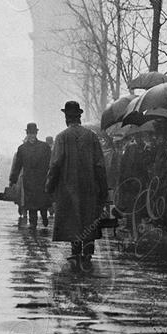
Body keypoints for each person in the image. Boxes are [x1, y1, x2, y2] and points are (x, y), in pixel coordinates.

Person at [45, 101, 109, 269]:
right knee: (88, 217)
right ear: (79, 117)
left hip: (68, 187)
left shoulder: (61, 137)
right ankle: (88, 251)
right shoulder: (92, 136)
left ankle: (76, 251)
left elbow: (55, 165)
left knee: (73, 218)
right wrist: (103, 189)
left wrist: (49, 186)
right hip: (90, 187)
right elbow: (100, 165)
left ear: (66, 118)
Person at [9, 123, 51, 229]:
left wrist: (50, 176)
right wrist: (13, 179)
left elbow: (50, 163)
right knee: (31, 203)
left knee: (42, 202)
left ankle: (44, 216)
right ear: (27, 134)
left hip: (42, 178)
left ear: (36, 133)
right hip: (29, 180)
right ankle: (33, 223)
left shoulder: (44, 147)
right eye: (30, 133)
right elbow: (18, 165)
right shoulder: (22, 148)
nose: (32, 135)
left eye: (33, 133)